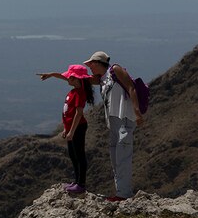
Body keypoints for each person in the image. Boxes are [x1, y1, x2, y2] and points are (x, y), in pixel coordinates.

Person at [83, 51, 144, 202]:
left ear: (98, 62)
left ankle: (124, 194)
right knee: (115, 158)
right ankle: (120, 192)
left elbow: (131, 87)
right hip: (114, 123)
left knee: (123, 157)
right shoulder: (102, 79)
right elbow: (76, 79)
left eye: (91, 64)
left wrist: (137, 112)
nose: (89, 66)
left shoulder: (115, 70)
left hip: (124, 119)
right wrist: (53, 75)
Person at [37, 64, 94, 195]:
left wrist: (71, 131)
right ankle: (76, 181)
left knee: (79, 156)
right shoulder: (76, 87)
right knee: (73, 156)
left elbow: (78, 114)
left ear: (76, 79)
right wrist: (51, 74)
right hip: (71, 128)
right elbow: (62, 77)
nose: (67, 78)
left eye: (70, 77)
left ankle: (81, 184)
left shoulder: (80, 93)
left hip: (78, 128)